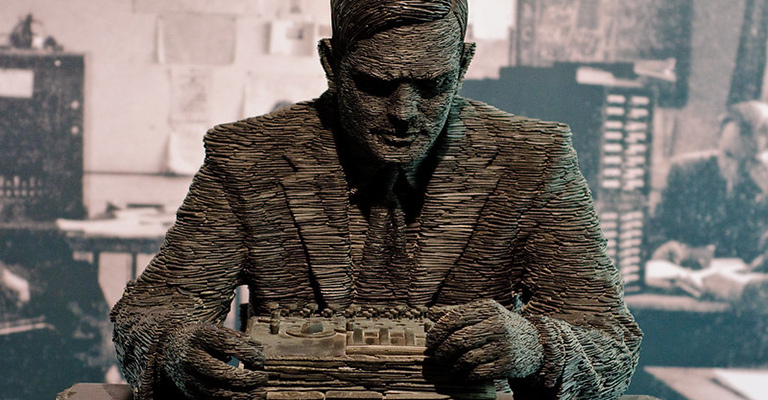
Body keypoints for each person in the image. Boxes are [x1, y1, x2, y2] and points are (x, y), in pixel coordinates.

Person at [111, 1, 642, 399]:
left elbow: (612, 345)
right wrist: (176, 351)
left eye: (433, 86)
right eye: (375, 84)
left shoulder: (533, 161)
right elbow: (153, 312)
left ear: (465, 63)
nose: (405, 113)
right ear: (330, 62)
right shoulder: (252, 159)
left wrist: (535, 347)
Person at [651, 100, 768, 271]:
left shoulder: (763, 185)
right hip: (685, 278)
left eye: (746, 162)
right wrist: (663, 247)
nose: (733, 168)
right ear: (718, 141)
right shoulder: (685, 171)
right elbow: (656, 230)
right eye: (728, 156)